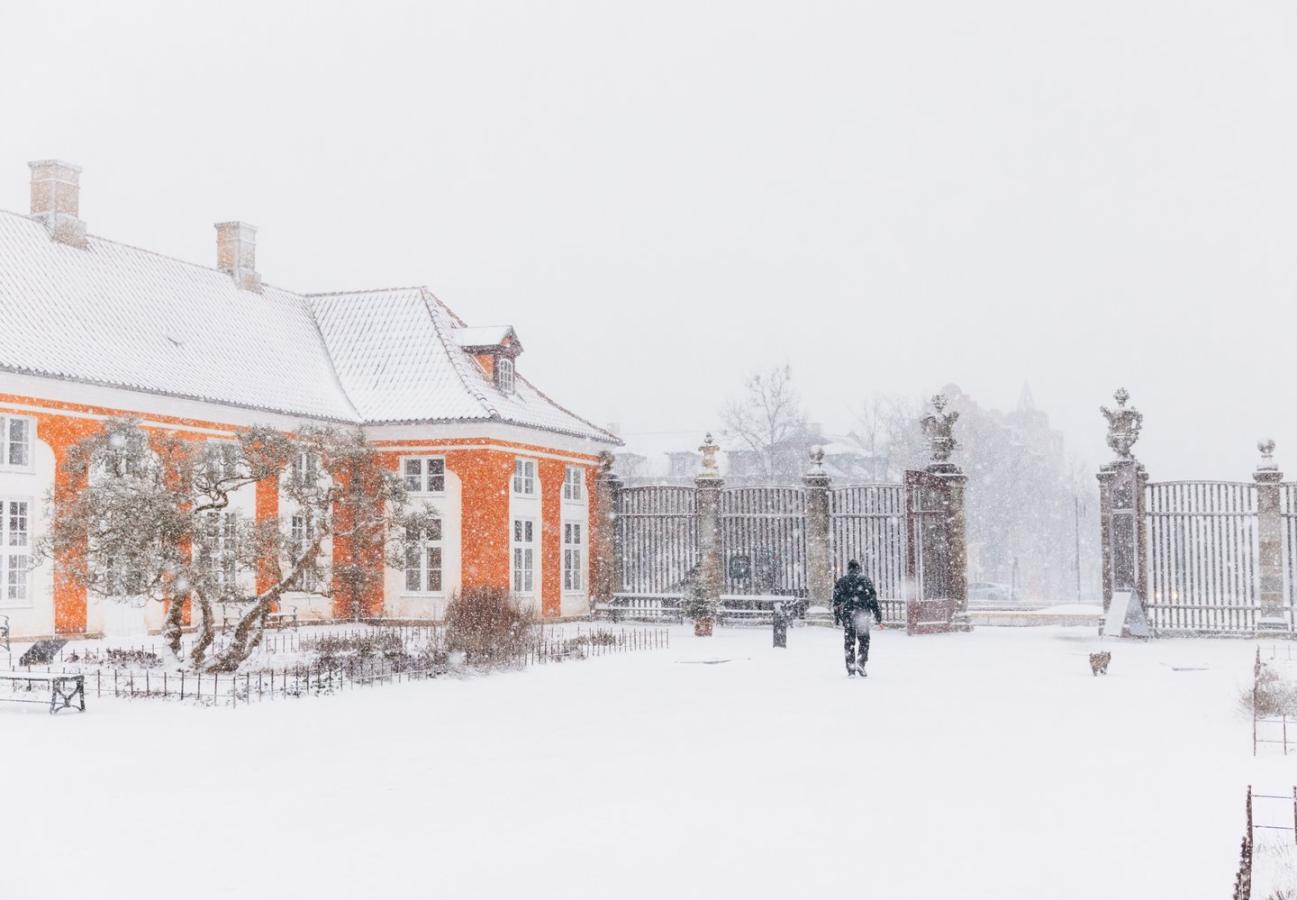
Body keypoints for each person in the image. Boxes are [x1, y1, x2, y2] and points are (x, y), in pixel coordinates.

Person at [832, 560, 882, 677]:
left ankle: (850, 668)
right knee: (864, 640)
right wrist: (878, 616)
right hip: (862, 615)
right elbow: (873, 600)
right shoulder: (865, 580)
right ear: (858, 568)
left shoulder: (842, 581)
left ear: (848, 569)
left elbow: (836, 602)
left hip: (848, 615)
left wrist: (837, 617)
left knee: (849, 642)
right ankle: (861, 661)